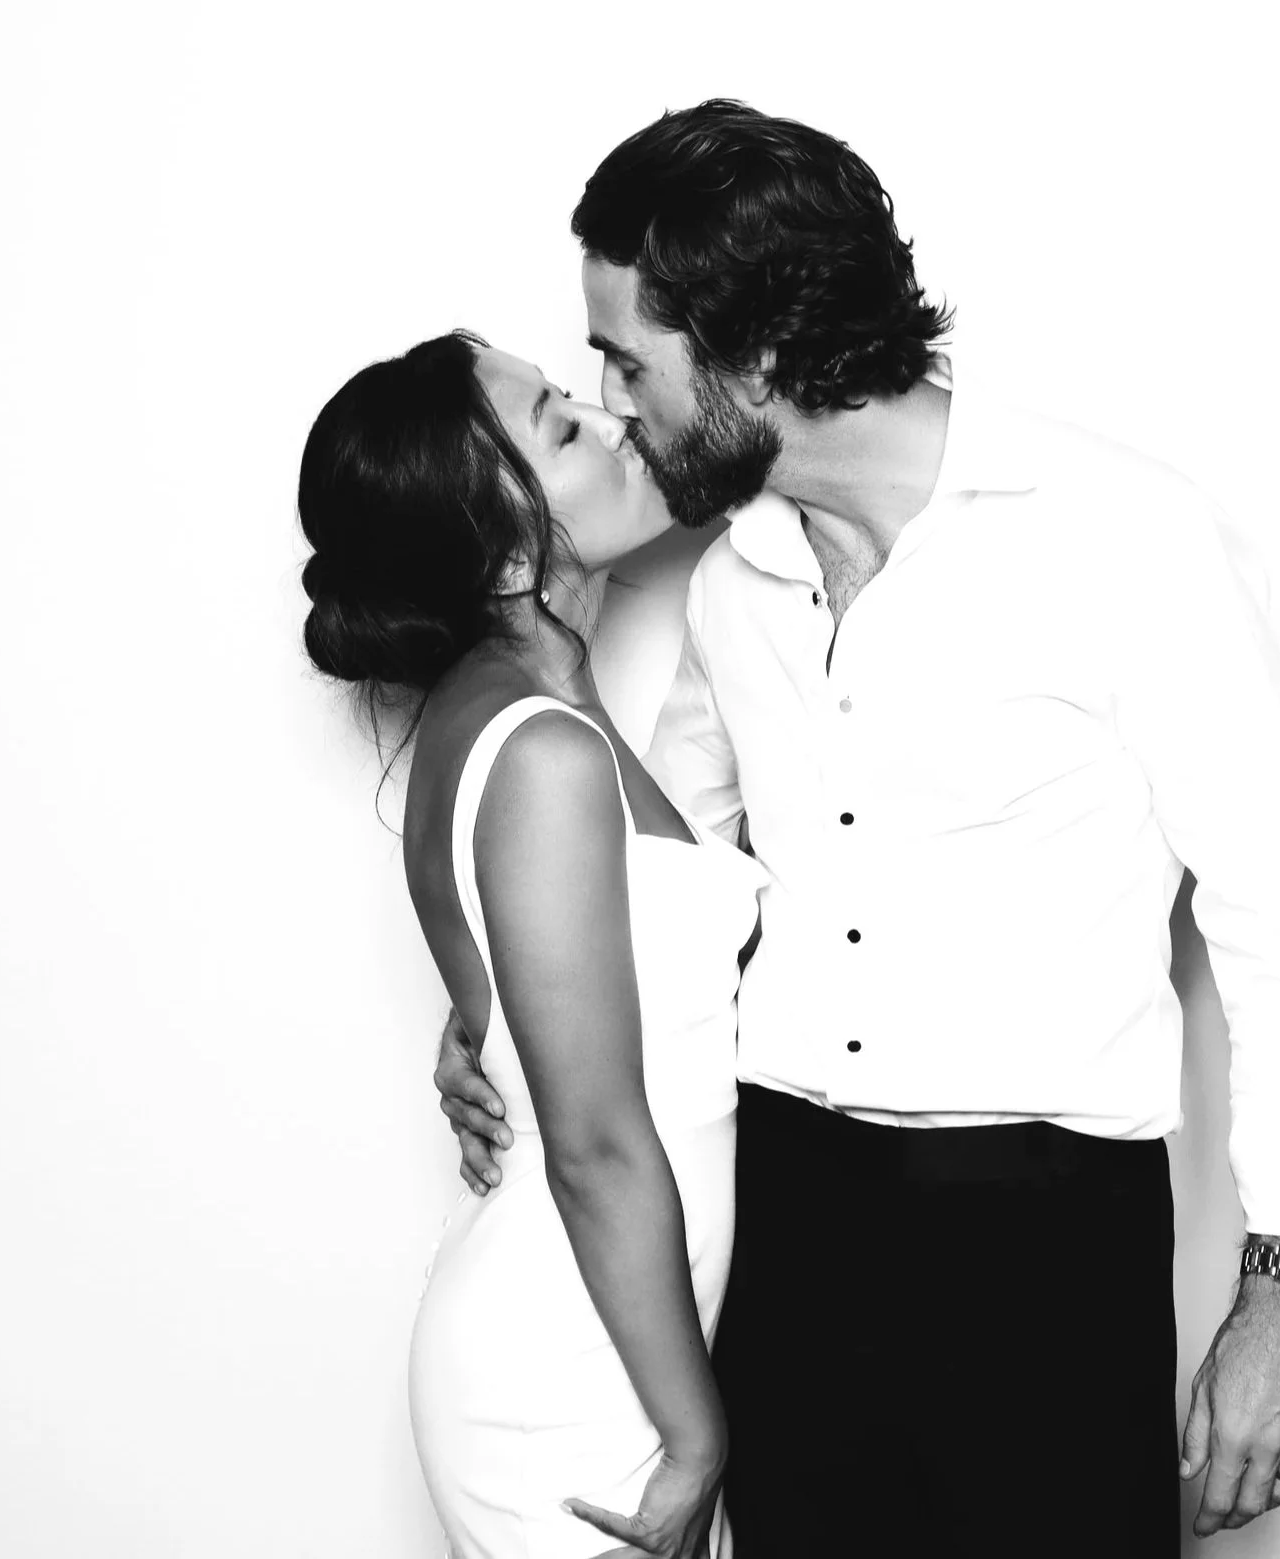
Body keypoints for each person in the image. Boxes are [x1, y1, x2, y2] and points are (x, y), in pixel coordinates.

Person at [436, 101, 1280, 1554]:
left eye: (627, 360)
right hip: (788, 1231)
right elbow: (666, 869)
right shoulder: (735, 575)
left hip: (1048, 1239)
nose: (616, 405)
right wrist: (495, 1012)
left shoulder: (1124, 534)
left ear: (756, 353)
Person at [300, 331, 763, 1557]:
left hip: (605, 1348)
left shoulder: (531, 714)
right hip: (579, 1386)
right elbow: (595, 1144)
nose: (611, 423)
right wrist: (695, 1438)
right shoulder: (540, 753)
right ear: (508, 552)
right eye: (563, 425)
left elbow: (539, 1021)